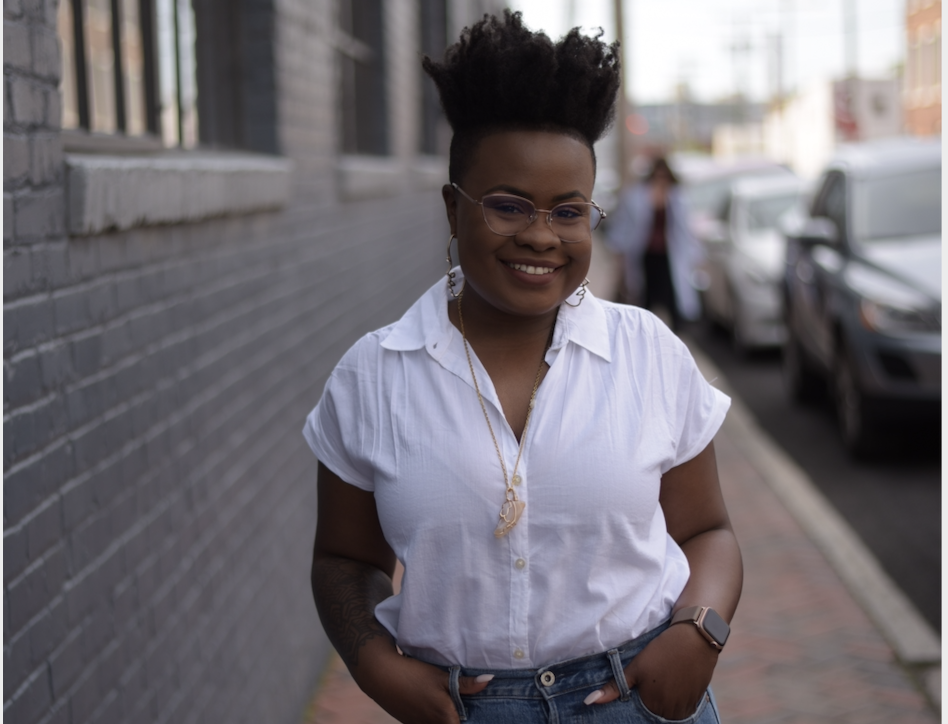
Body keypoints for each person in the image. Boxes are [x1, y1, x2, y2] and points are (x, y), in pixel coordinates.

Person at [305, 12, 742, 724]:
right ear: (453, 210)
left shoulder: (648, 353)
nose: (541, 236)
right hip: (461, 707)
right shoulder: (373, 377)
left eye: (569, 212)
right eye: (508, 206)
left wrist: (700, 632)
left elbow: (708, 533)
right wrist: (373, 664)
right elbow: (343, 559)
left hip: (637, 694)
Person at [606, 157, 704, 331]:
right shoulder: (637, 196)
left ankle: (675, 332)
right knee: (645, 296)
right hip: (646, 254)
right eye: (657, 176)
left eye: (664, 176)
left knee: (672, 295)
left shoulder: (678, 198)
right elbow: (624, 225)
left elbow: (687, 229)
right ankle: (645, 331)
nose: (661, 180)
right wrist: (619, 252)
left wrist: (695, 254)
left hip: (670, 255)